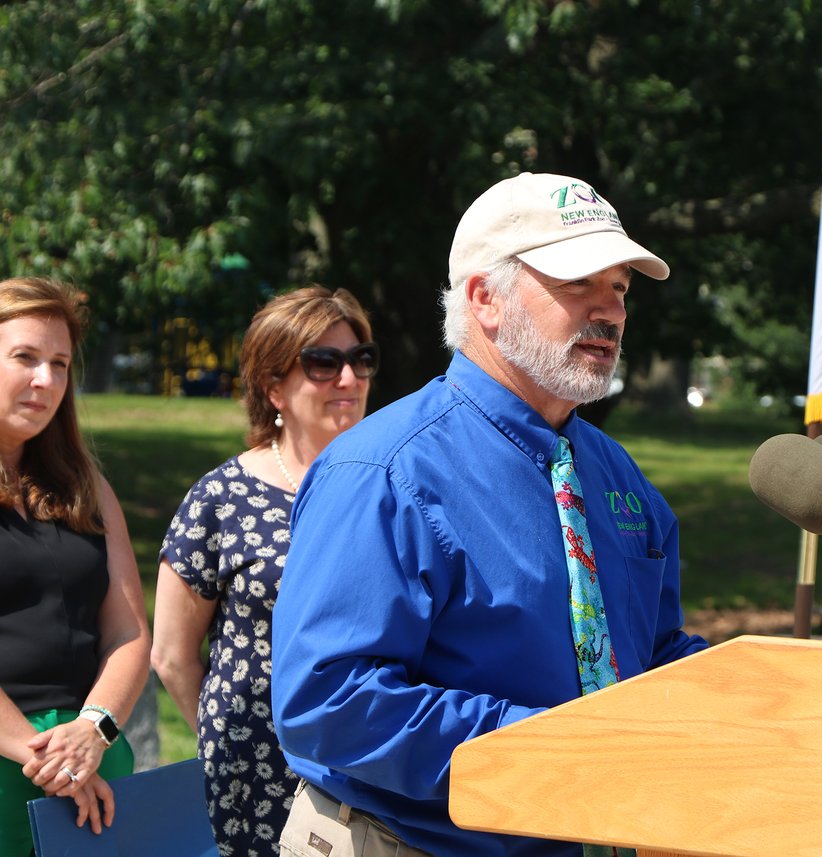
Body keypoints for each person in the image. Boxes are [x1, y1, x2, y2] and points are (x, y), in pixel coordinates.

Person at [272, 172, 709, 856]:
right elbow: (328, 701)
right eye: (578, 284)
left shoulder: (617, 476)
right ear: (485, 299)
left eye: (620, 288)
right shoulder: (383, 472)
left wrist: (766, 692)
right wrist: (546, 748)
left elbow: (649, 655)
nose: (611, 312)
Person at [0, 277, 152, 856]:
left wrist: (95, 729)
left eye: (59, 364)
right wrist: (45, 757)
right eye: (25, 358)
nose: (46, 380)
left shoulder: (87, 486)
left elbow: (129, 633)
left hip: (91, 761)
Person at [152, 286, 378, 857]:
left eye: (361, 360)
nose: (349, 378)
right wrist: (230, 738)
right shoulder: (221, 498)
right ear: (273, 387)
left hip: (368, 768)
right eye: (323, 362)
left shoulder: (391, 488)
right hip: (249, 773)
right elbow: (172, 655)